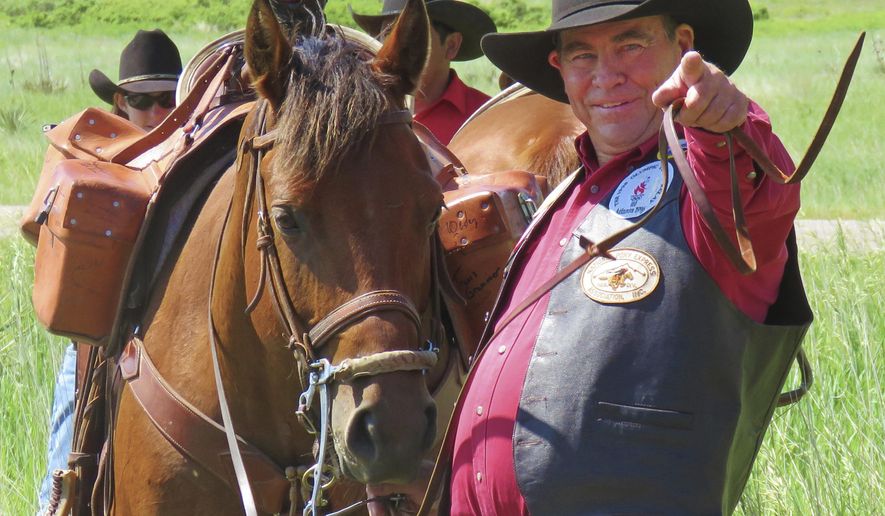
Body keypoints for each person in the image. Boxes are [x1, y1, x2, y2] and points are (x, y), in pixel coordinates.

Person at [368, 0, 812, 514]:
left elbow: (752, 195)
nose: (606, 76)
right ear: (558, 67)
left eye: (631, 45)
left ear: (683, 47)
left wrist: (725, 121)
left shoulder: (704, 180)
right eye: (582, 55)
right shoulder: (563, 199)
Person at [36, 29, 181, 513]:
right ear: (121, 100)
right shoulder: (94, 153)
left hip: (166, 342)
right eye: (145, 100)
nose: (159, 113)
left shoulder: (194, 153)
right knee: (66, 462)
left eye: (169, 98)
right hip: (95, 339)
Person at [351, 0, 496, 144]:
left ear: (452, 45)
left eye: (414, 34)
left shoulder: (489, 117)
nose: (397, 46)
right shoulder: (357, 113)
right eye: (388, 34)